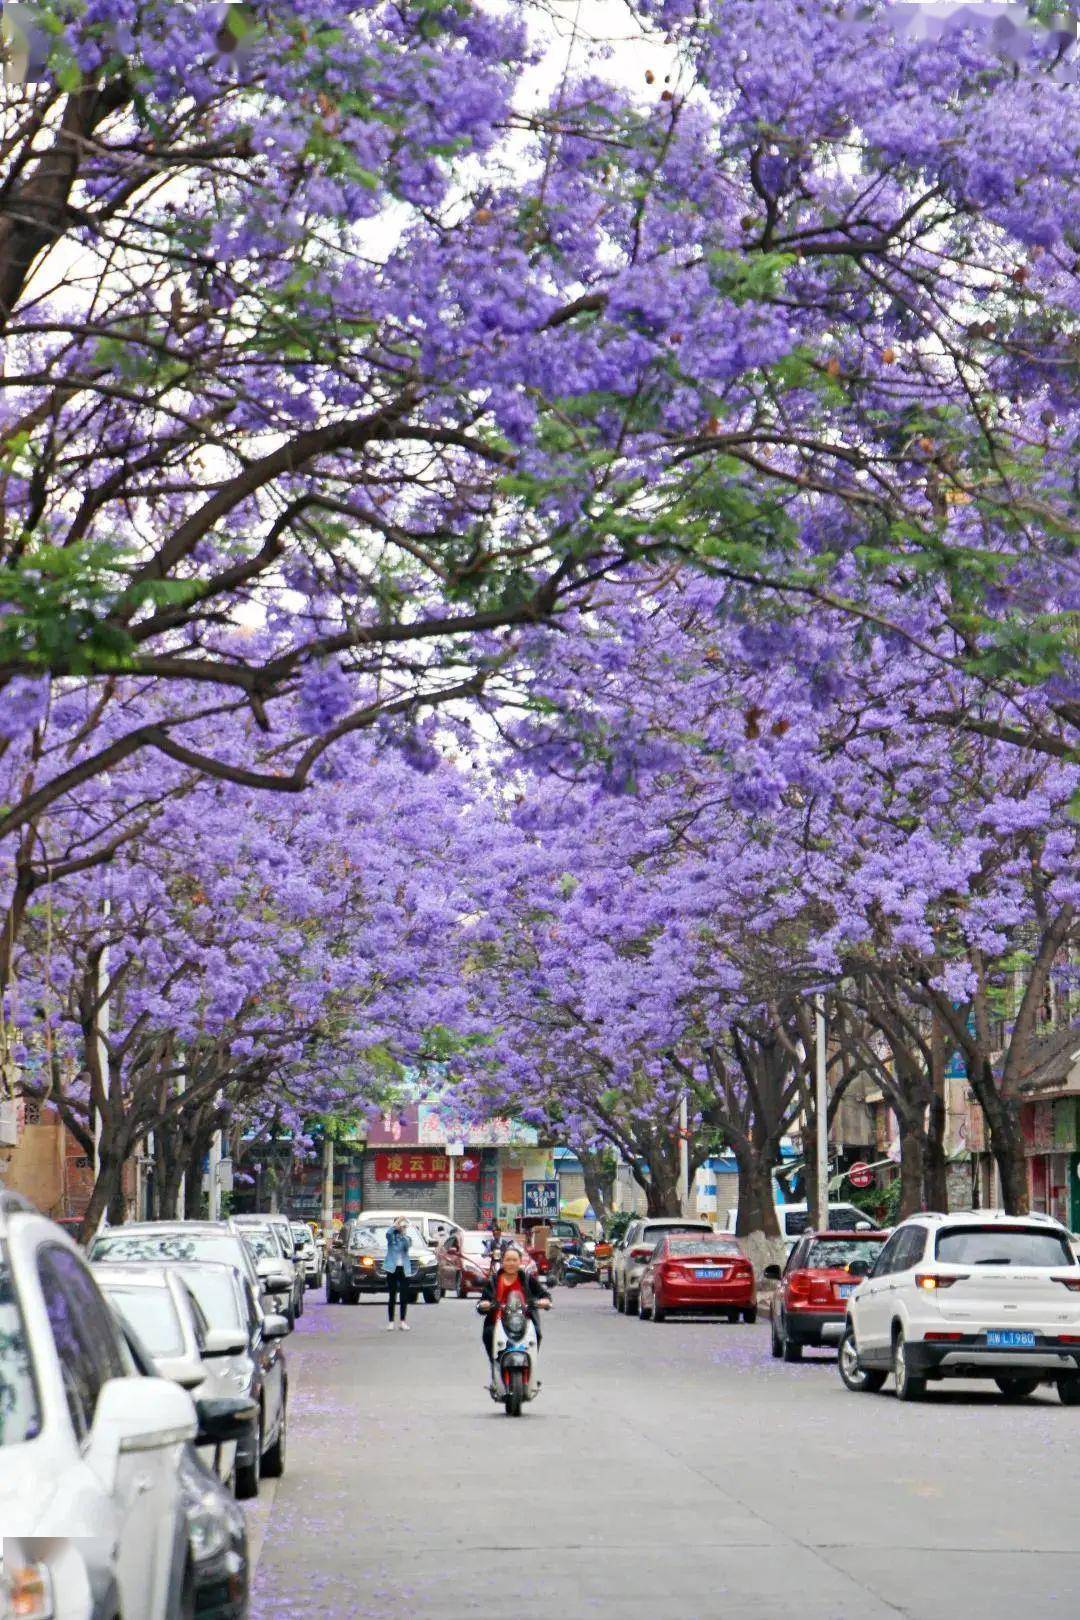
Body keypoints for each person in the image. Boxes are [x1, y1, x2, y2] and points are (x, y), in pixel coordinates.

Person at [477, 1243, 551, 1392]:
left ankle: (531, 1366)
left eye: (514, 1260)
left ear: (520, 1261)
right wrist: (485, 1304)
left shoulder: (528, 1279)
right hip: (498, 1321)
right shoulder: (494, 1281)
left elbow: (544, 1295)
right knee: (488, 1333)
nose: (511, 1263)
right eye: (508, 1260)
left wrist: (544, 1301)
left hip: (524, 1321)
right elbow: (483, 1300)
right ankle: (495, 1367)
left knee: (537, 1332)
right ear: (502, 1262)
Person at [383, 1217, 415, 1331]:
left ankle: (402, 1321)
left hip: (404, 1269)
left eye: (403, 1225)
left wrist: (403, 1232)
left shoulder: (406, 1238)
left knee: (404, 1296)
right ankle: (391, 1322)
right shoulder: (391, 1238)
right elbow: (387, 1233)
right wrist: (396, 1224)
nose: (402, 1226)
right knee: (392, 1296)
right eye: (400, 1225)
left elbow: (407, 1246)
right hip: (392, 1269)